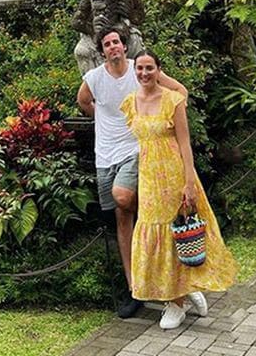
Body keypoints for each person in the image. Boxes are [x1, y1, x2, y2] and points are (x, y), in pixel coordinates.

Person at [121, 50, 237, 329]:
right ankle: (183, 290)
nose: (144, 73)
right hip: (149, 179)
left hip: (175, 176)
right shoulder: (129, 103)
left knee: (178, 234)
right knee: (153, 232)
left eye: (150, 68)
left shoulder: (173, 100)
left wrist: (188, 183)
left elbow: (185, 144)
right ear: (133, 70)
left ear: (159, 70)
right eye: (139, 68)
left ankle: (177, 304)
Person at [76, 26, 187, 318]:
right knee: (122, 219)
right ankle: (135, 287)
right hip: (105, 155)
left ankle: (160, 219)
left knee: (123, 196)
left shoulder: (139, 71)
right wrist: (101, 119)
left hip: (135, 150)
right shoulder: (95, 78)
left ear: (124, 47)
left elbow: (177, 91)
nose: (113, 47)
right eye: (107, 44)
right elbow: (82, 101)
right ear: (102, 51)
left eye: (116, 42)